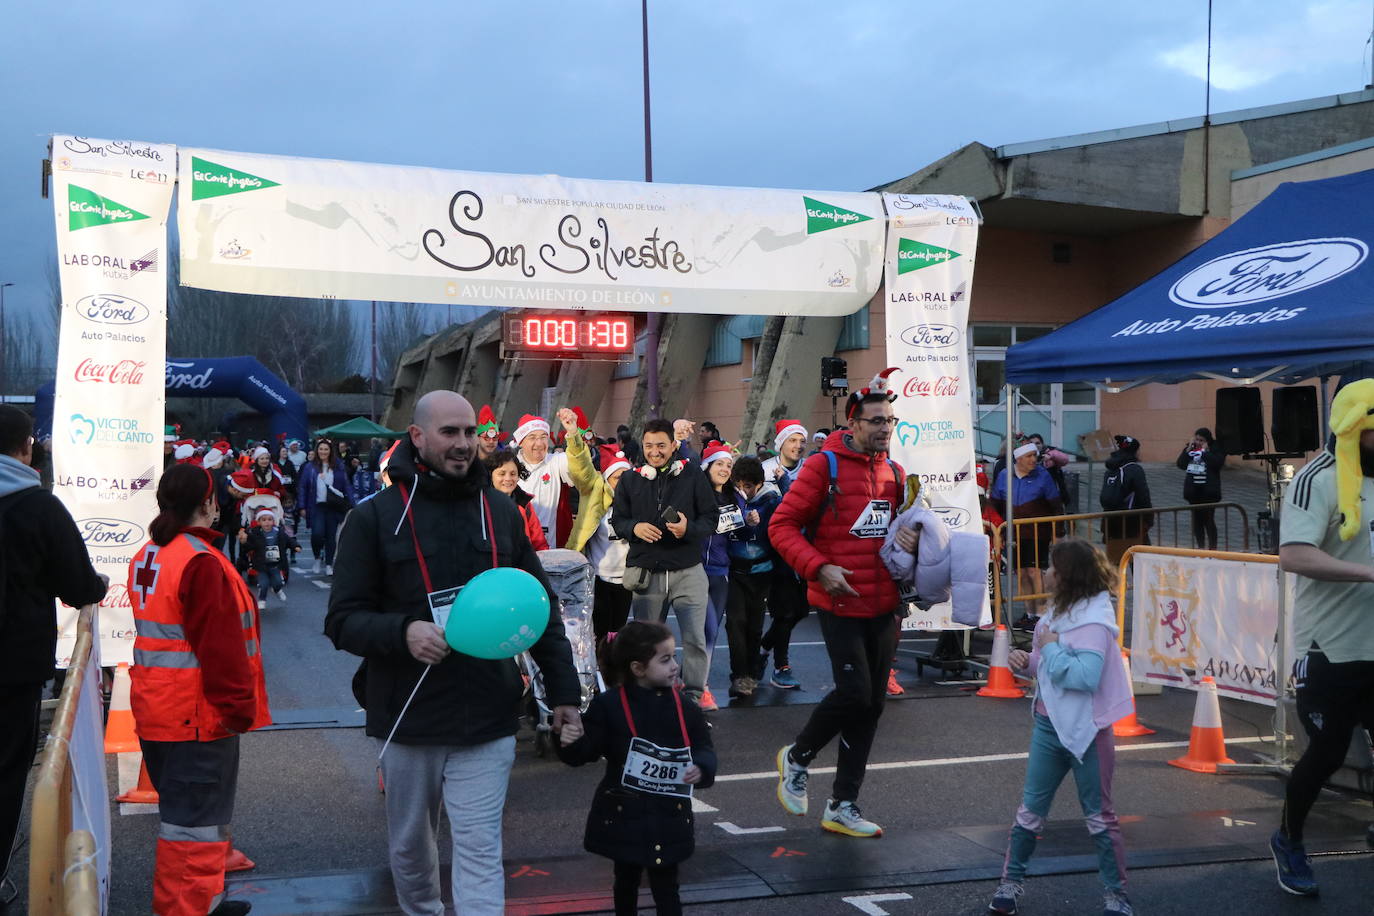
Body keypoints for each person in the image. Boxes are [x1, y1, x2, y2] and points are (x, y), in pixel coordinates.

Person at [324, 390, 580, 916]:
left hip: (487, 713)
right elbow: (341, 620)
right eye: (450, 432)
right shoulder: (374, 518)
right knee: (412, 850)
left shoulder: (503, 512)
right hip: (406, 715)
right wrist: (403, 632)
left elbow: (540, 609)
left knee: (481, 846)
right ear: (416, 437)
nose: (464, 444)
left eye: (470, 432)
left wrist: (566, 694)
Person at [769, 368, 910, 839]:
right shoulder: (821, 466)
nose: (884, 428)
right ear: (852, 425)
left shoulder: (895, 472)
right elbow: (781, 526)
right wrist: (818, 568)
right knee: (854, 694)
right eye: (874, 421)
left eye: (889, 420)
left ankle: (843, 803)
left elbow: (896, 536)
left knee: (871, 706)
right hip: (839, 603)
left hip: (884, 605)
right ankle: (798, 755)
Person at [127, 463, 272, 916]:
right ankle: (185, 909)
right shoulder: (200, 562)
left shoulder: (152, 553)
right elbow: (221, 649)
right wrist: (239, 709)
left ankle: (202, 903)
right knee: (193, 828)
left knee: (187, 820)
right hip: (198, 715)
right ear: (207, 504)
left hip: (160, 708)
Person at [989, 538, 1133, 916]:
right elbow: (1048, 668)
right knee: (1030, 811)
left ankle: (1117, 896)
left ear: (1067, 576)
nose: (1046, 573)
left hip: (1088, 730)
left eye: (1053, 568)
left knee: (1099, 816)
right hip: (1048, 726)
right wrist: (1028, 662)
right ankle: (1010, 883)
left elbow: (1085, 677)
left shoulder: (1094, 622)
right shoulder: (1057, 613)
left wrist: (1049, 650)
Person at [1268, 379, 1374, 897]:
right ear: (1358, 427)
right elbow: (1293, 555)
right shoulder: (1317, 478)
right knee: (1327, 753)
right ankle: (1288, 838)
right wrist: (1371, 574)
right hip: (1329, 648)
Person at [0, 407, 107, 902]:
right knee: (6, 771)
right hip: (11, 667)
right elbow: (77, 583)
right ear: (26, 448)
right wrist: (97, 586)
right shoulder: (36, 506)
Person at [556, 620, 715, 916]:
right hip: (624, 814)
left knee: (667, 887)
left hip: (669, 815)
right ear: (638, 669)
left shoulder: (685, 707)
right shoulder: (610, 705)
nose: (675, 666)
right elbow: (584, 753)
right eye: (665, 659)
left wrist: (702, 767)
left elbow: (704, 747)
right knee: (625, 881)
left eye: (674, 657)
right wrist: (568, 740)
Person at [610, 418, 719, 706]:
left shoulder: (693, 475)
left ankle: (694, 696)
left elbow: (711, 518)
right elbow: (617, 520)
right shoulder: (631, 479)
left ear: (674, 445)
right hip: (647, 572)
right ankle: (647, 697)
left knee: (696, 638)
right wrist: (634, 527)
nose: (655, 451)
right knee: (646, 643)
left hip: (688, 570)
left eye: (661, 445)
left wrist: (689, 530)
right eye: (648, 446)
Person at [560, 410, 634, 644]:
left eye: (627, 476)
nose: (622, 482)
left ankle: (615, 675)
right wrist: (573, 434)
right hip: (598, 577)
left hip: (627, 578)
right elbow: (581, 467)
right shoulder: (594, 492)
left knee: (619, 633)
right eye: (617, 477)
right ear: (607, 479)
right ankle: (599, 674)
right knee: (600, 633)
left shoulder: (637, 499)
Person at [758, 420, 810, 690]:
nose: (798, 446)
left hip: (806, 547)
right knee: (785, 611)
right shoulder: (766, 470)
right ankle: (781, 666)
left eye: (802, 441)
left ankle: (764, 648)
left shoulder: (811, 470)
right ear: (780, 444)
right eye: (792, 441)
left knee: (801, 610)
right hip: (775, 549)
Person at [990, 443, 1065, 629]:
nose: (1033, 460)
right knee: (1021, 573)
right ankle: (1029, 612)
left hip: (1037, 532)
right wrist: (995, 530)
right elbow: (995, 504)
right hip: (1013, 533)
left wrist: (1059, 533)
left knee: (1035, 571)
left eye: (1035, 456)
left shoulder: (1043, 476)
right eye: (1029, 456)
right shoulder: (1005, 475)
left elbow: (1056, 505)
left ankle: (1041, 614)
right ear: (1018, 459)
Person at [725, 455, 780, 699]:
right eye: (739, 485)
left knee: (754, 626)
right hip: (735, 572)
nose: (744, 490)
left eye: (749, 485)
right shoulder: (730, 499)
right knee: (735, 624)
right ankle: (740, 675)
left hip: (762, 573)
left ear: (759, 483)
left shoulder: (771, 501)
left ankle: (752, 669)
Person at [698, 442, 737, 708]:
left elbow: (740, 532)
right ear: (707, 467)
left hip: (721, 572)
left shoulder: (736, 497)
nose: (724, 469)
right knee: (706, 628)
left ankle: (693, 679)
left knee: (710, 633)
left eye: (728, 465)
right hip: (695, 570)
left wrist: (751, 520)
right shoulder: (695, 495)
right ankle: (701, 686)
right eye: (719, 464)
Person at [514, 413, 576, 547]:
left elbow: (578, 464)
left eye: (543, 437)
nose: (539, 443)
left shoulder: (557, 460)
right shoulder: (511, 466)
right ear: (521, 442)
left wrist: (572, 432)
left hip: (548, 546)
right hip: (517, 543)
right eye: (532, 437)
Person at [297, 437, 354, 575]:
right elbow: (303, 487)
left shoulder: (338, 466)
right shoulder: (310, 467)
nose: (323, 452)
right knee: (317, 533)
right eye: (321, 449)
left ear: (330, 451)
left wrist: (353, 504)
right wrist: (301, 506)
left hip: (333, 505)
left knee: (330, 536)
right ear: (317, 450)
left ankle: (329, 564)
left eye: (326, 449)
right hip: (316, 506)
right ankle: (317, 558)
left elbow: (347, 486)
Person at [1099, 435, 1152, 566]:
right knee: (1139, 561)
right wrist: (1149, 520)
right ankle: (1138, 586)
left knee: (1116, 563)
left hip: (1111, 522)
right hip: (1132, 522)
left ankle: (1116, 586)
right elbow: (1144, 497)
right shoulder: (1135, 469)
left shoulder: (1111, 468)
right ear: (1134, 451)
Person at [485, 450, 549, 551]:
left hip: (522, 564)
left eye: (513, 474)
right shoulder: (481, 505)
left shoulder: (524, 504)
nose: (508, 478)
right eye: (502, 474)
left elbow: (539, 543)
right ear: (490, 476)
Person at [238, 508, 298, 609]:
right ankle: (262, 599)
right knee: (263, 583)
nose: (267, 522)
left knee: (278, 582)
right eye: (264, 520)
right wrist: (244, 542)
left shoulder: (278, 532)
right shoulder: (255, 534)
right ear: (259, 522)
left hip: (275, 564)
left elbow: (288, 540)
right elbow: (249, 546)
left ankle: (277, 590)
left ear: (273, 521)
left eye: (270, 519)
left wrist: (295, 546)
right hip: (262, 564)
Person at [1176, 427, 1223, 550]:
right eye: (1196, 439)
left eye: (1201, 440)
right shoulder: (1191, 448)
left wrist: (1205, 452)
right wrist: (1188, 449)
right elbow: (1180, 464)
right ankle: (1201, 547)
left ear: (1207, 441)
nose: (1198, 442)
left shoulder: (1214, 449)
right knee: (1197, 522)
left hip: (1208, 493)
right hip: (1194, 492)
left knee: (1208, 521)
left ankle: (1213, 549)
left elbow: (1218, 463)